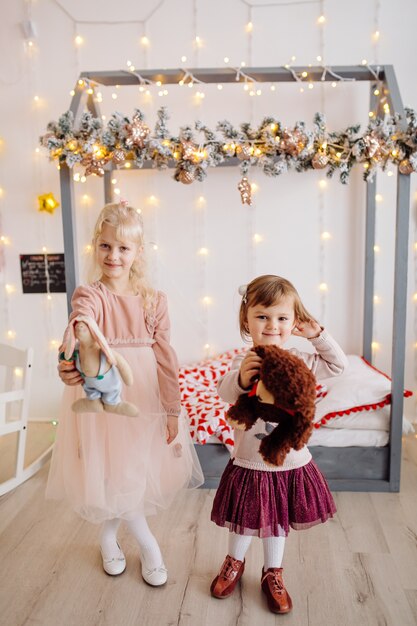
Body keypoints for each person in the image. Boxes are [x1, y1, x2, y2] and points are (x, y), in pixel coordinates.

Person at [46, 201, 203, 586]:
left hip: (145, 394)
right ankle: (148, 543)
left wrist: (171, 408)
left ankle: (107, 535)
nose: (113, 256)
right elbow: (79, 324)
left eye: (123, 248)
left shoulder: (154, 300)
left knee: (133, 469)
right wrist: (67, 361)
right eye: (105, 246)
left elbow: (165, 357)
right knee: (114, 470)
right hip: (105, 399)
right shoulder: (90, 294)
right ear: (95, 246)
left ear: (138, 252)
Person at [210, 274, 348, 614]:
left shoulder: (303, 361)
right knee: (244, 519)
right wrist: (243, 378)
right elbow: (225, 392)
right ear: (247, 320)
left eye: (282, 318)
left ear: (294, 323)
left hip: (288, 463)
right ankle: (234, 562)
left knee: (277, 522)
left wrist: (318, 335)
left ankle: (273, 572)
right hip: (249, 461)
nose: (272, 325)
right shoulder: (245, 360)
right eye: (262, 316)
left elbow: (339, 365)